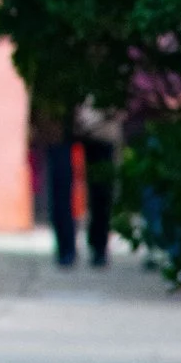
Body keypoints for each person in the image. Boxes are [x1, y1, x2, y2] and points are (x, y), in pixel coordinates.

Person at [33, 100, 121, 267]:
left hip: (100, 114)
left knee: (101, 186)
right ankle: (65, 249)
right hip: (58, 116)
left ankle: (99, 246)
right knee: (61, 185)